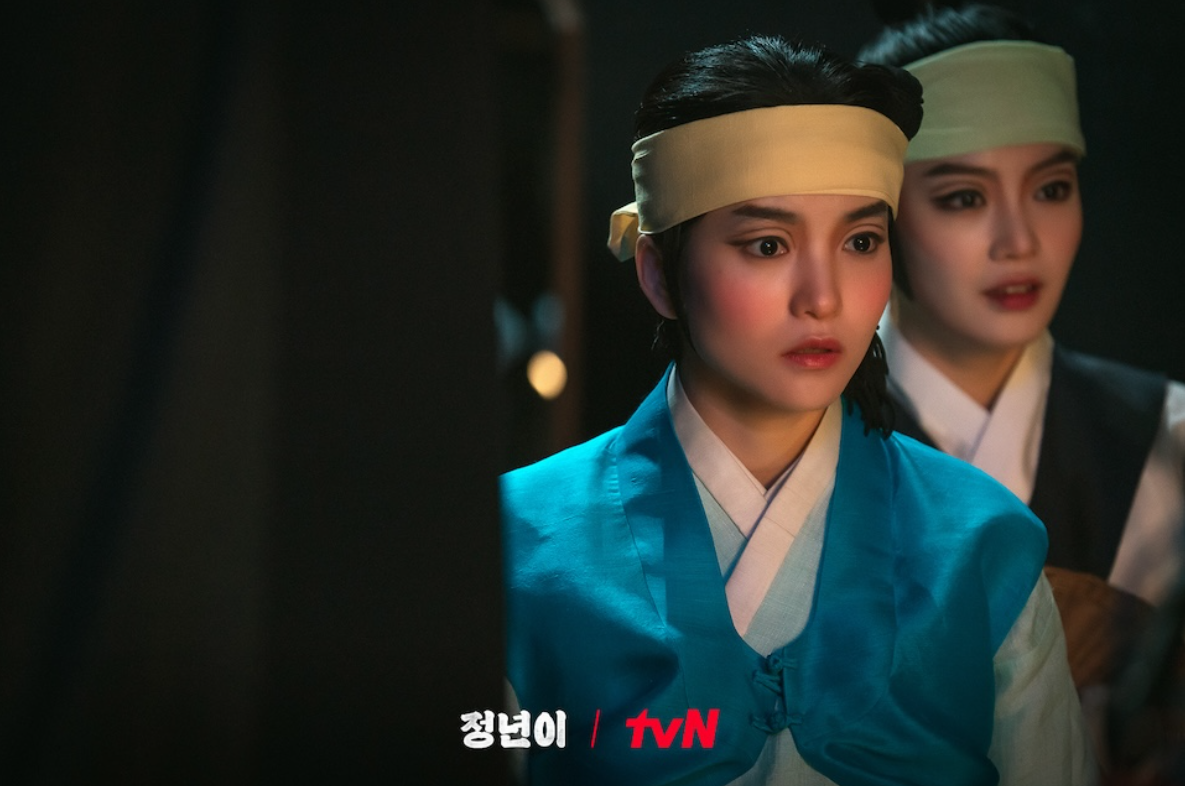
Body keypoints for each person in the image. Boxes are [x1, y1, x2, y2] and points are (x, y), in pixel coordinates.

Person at [500, 33, 1094, 785]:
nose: (823, 297)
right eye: (767, 245)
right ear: (658, 274)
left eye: (861, 241)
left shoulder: (981, 543)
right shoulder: (517, 542)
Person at [857, 1, 1185, 692]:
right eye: (963, 198)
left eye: (1051, 188)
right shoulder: (793, 446)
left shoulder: (1169, 440)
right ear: (877, 215)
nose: (1019, 241)